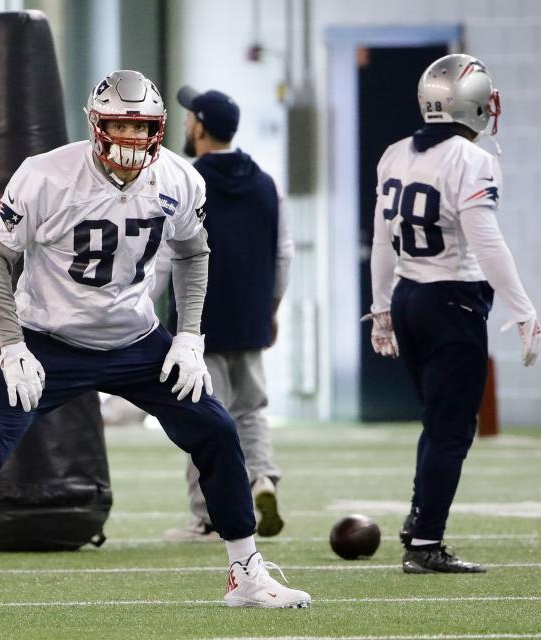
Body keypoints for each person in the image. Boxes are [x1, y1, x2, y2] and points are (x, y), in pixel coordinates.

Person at [0, 70, 311, 613]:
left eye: (143, 127)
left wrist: (187, 336)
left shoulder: (179, 178)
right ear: (96, 125)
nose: (132, 140)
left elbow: (193, 253)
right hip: (49, 339)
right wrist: (13, 345)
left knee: (217, 430)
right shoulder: (46, 175)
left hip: (135, 339)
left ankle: (246, 573)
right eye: (119, 125)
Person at [367, 54, 541, 573]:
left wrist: (380, 307)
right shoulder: (473, 161)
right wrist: (524, 309)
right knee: (450, 430)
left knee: (436, 422)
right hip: (453, 302)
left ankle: (420, 517)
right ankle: (425, 544)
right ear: (475, 105)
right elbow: (486, 241)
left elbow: (380, 239)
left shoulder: (395, 153)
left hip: (408, 297)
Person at [161, 86, 293, 543]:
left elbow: (165, 255)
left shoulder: (185, 180)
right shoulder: (265, 182)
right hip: (252, 316)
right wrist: (271, 309)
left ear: (198, 125)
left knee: (201, 415)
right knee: (251, 409)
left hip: (200, 321)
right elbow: (284, 253)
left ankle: (208, 517)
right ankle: (261, 480)